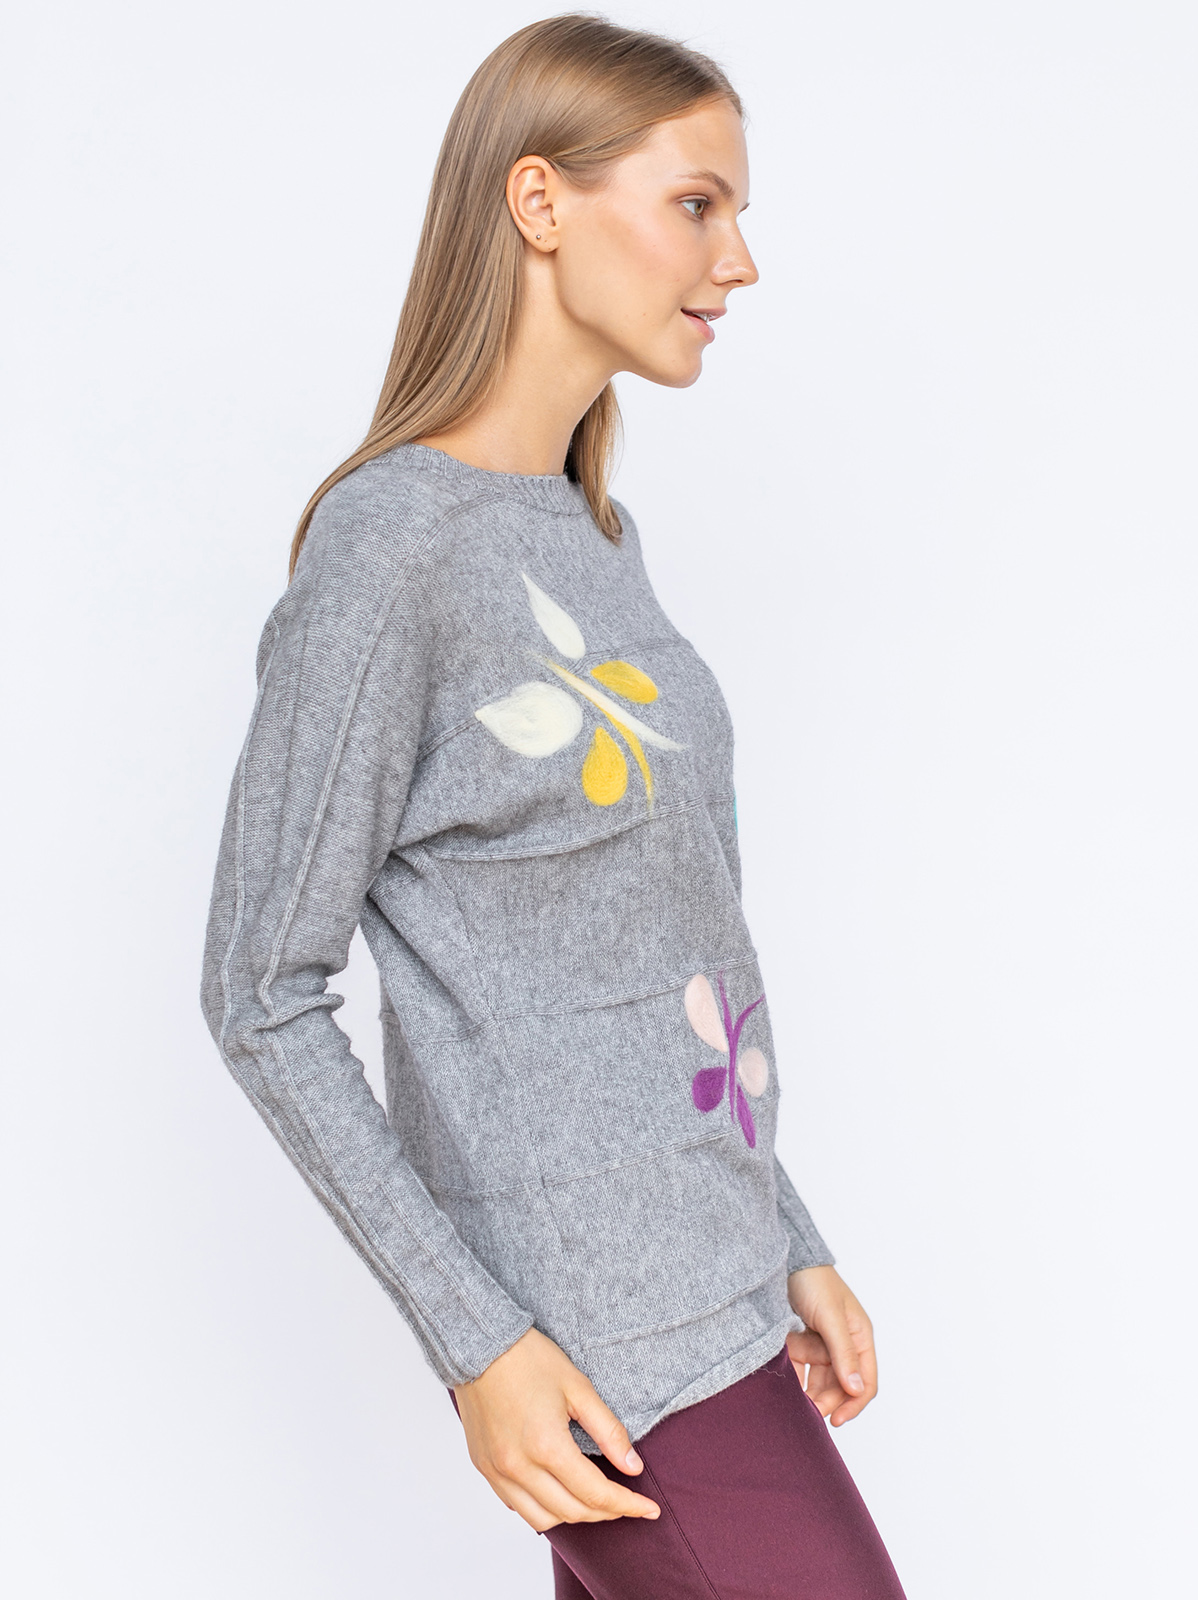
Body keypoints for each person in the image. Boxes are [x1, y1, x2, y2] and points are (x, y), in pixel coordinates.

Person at [201, 14, 907, 1598]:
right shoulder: (394, 554)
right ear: (539, 201)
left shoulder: (591, 535)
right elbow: (260, 989)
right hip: (607, 1343)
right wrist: (480, 1342)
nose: (737, 262)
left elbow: (662, 946)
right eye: (697, 204)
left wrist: (784, 1230)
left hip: (718, 1286)